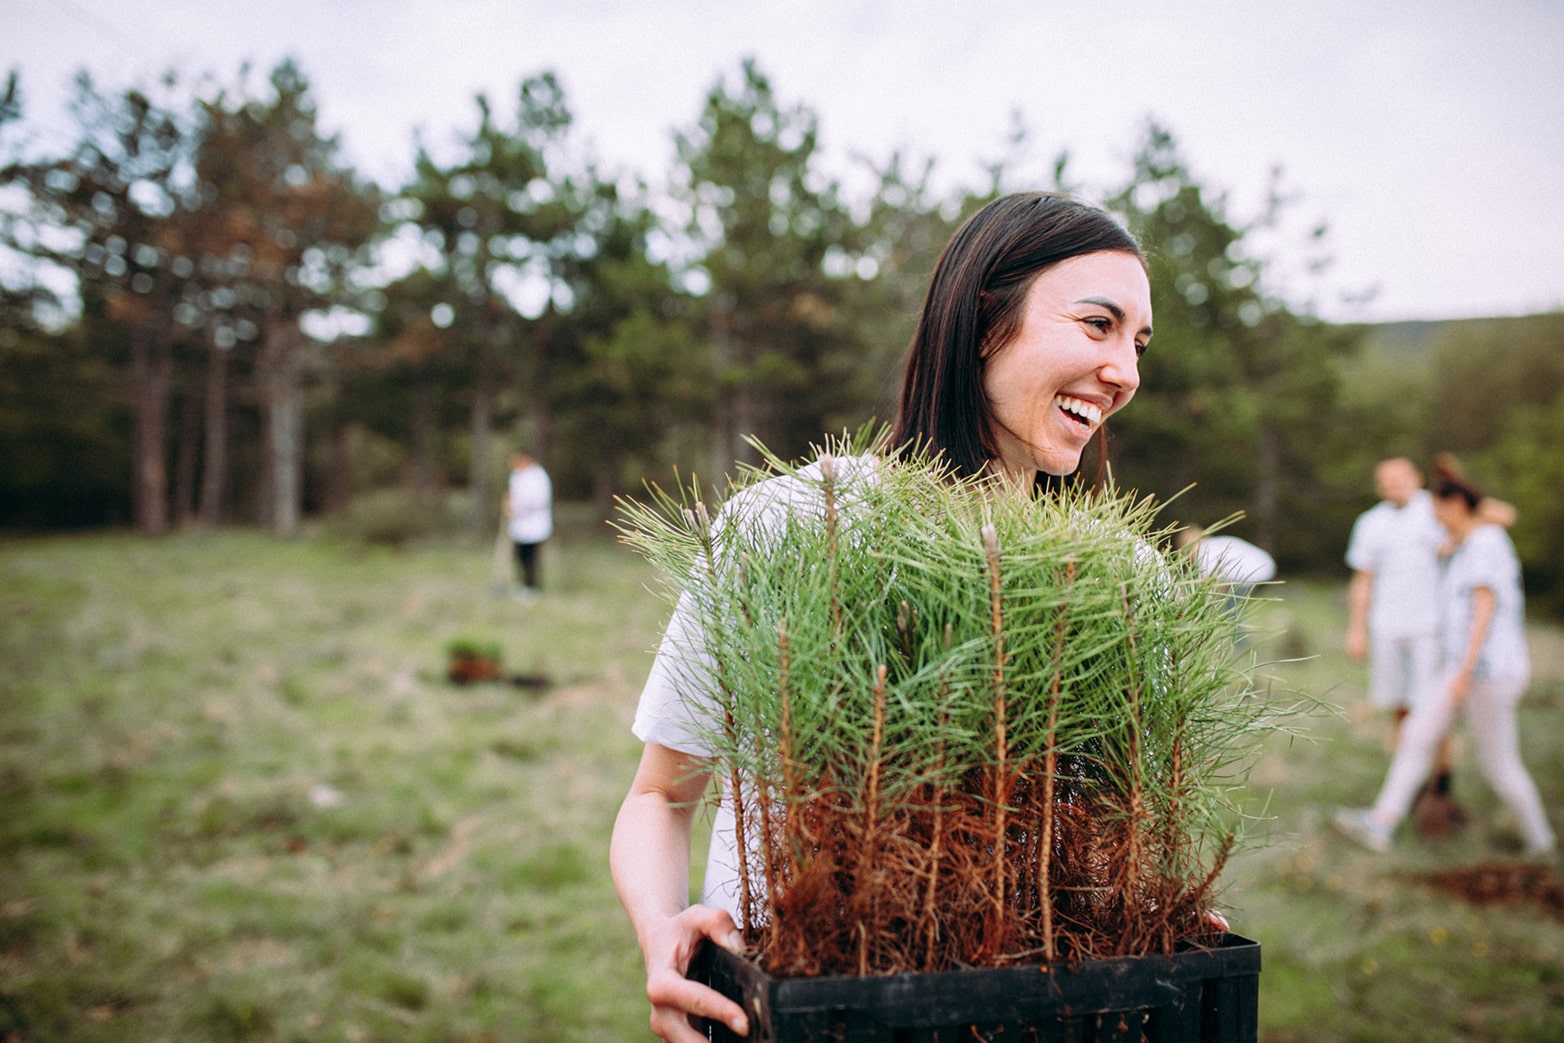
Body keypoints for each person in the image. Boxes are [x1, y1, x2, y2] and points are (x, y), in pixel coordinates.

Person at [609, 192, 1153, 1042]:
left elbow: (1115, 840)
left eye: (1137, 343)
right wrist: (660, 935)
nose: (1125, 372)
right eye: (1097, 325)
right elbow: (659, 795)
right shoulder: (792, 525)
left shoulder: (1125, 579)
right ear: (983, 322)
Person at [1333, 470, 1555, 861]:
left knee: (1500, 764)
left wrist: (1465, 674)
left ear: (1456, 506)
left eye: (1438, 508)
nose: (1434, 517)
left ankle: (1541, 843)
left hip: (1487, 674)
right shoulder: (1467, 543)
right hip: (1459, 670)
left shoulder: (1486, 543)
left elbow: (1484, 610)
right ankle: (1380, 824)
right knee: (1417, 735)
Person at [505, 451, 552, 599]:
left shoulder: (538, 476)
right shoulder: (517, 475)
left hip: (534, 524)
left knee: (531, 557)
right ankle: (523, 583)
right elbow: (514, 495)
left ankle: (532, 587)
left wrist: (518, 506)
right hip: (519, 525)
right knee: (519, 555)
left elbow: (538, 500)